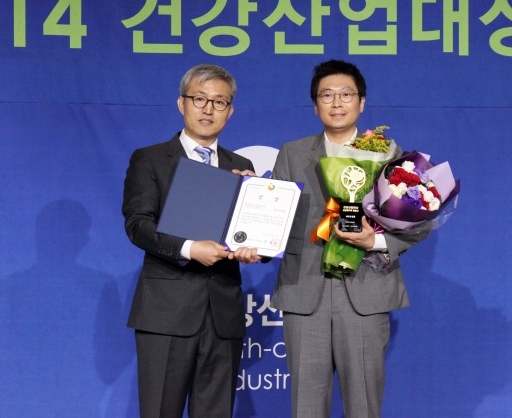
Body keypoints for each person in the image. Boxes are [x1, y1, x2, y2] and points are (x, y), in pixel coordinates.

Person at [271, 59, 430, 417]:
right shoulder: (293, 154)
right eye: (327, 95)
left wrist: (372, 242)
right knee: (305, 407)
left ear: (361, 102)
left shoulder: (388, 154)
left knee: (364, 405)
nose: (337, 102)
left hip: (365, 291)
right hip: (305, 292)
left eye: (346, 94)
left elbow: (416, 224)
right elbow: (276, 219)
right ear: (315, 106)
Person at [122, 63, 261, 418]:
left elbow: (251, 234)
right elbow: (138, 225)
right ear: (181, 104)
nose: (208, 109)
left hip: (223, 314)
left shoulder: (241, 165)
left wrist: (254, 248)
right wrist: (189, 249)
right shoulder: (150, 159)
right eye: (200, 99)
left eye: (219, 102)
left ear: (230, 111)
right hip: (166, 312)